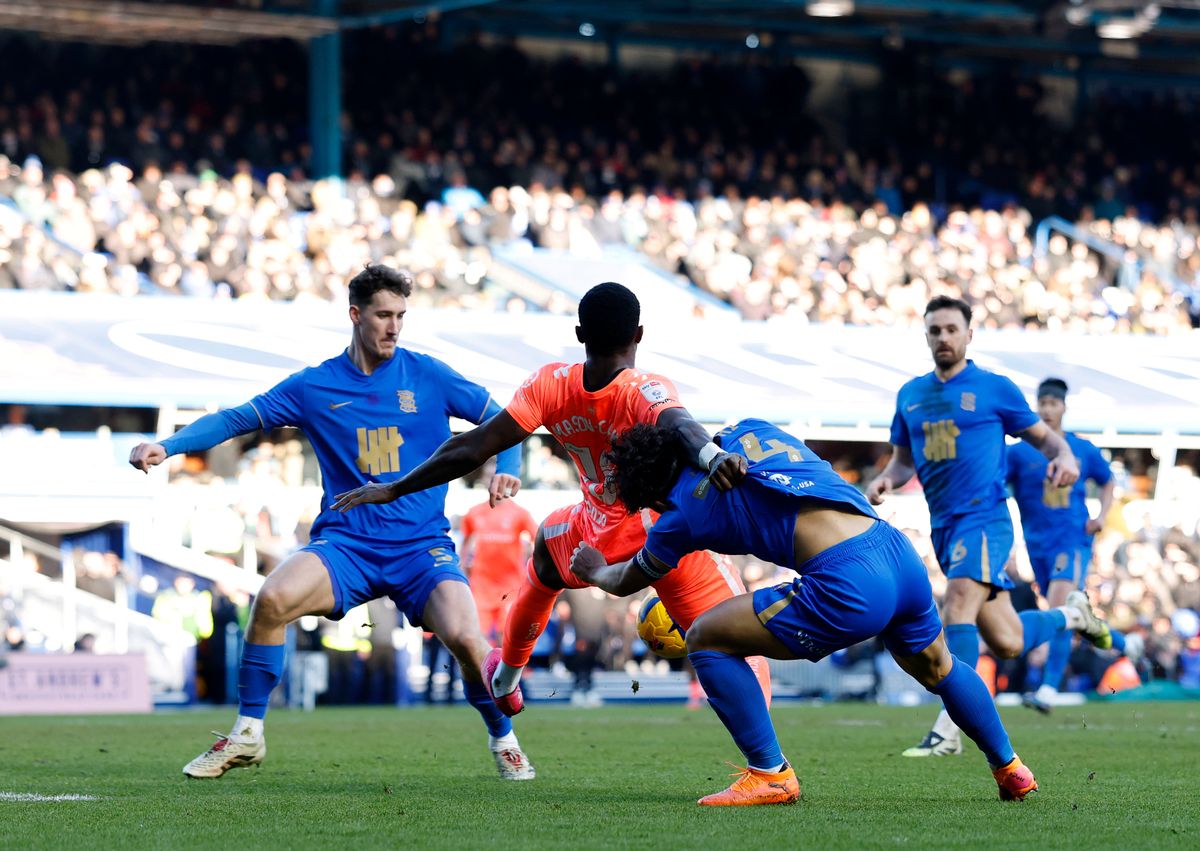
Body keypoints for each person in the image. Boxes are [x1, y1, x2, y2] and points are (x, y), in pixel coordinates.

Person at [129, 264, 535, 781]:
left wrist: (507, 468)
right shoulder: (315, 386)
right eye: (383, 316)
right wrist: (169, 446)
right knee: (271, 600)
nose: (394, 327)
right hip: (347, 546)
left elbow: (506, 420)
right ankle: (247, 733)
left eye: (401, 316)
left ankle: (504, 739)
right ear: (355, 315)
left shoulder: (428, 375)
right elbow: (236, 418)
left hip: (420, 549)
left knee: (467, 639)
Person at [331, 282, 769, 715]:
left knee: (544, 553)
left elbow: (472, 447)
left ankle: (506, 678)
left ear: (580, 334)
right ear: (638, 334)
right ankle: (765, 753)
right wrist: (713, 456)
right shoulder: (644, 387)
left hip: (591, 535)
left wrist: (395, 487)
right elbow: (680, 425)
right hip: (661, 532)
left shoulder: (550, 384)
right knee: (737, 639)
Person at [571, 418, 1047, 806]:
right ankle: (1010, 768)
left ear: (652, 497)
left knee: (704, 636)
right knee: (940, 667)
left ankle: (770, 774)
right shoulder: (748, 428)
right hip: (895, 551)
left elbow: (626, 579)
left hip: (848, 581)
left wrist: (594, 570)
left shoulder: (676, 517)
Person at [866, 296, 1108, 758]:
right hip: (944, 527)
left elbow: (1046, 440)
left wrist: (1065, 456)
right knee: (1008, 639)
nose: (943, 337)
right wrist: (885, 481)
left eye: (951, 329)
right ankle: (1073, 617)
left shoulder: (995, 389)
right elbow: (902, 462)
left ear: (969, 334)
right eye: (935, 330)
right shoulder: (910, 395)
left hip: (985, 520)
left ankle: (949, 727)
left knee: (957, 603)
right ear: (926, 336)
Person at [1008, 377, 1140, 710]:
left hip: (1072, 540)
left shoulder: (1082, 449)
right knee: (1071, 615)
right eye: (1042, 403)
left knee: (1062, 607)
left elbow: (1108, 482)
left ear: (1063, 407)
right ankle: (1124, 643)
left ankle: (1048, 688)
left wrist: (1101, 516)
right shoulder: (1019, 453)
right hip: (1036, 544)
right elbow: (994, 484)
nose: (1047, 409)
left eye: (1053, 403)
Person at [459, 493, 537, 642]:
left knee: (507, 636)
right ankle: (485, 658)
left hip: (510, 587)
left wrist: (535, 567)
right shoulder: (474, 512)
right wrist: (462, 568)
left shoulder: (520, 513)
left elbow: (538, 538)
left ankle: (504, 658)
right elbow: (465, 541)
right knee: (477, 637)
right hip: (482, 586)